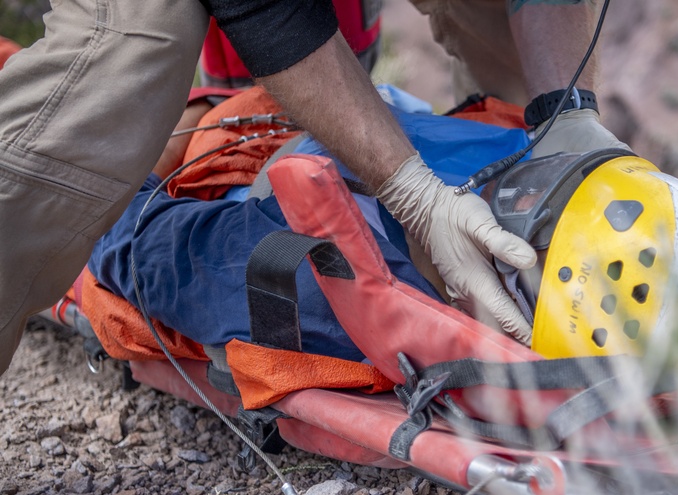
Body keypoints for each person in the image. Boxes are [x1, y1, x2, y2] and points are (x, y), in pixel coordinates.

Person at [0, 0, 626, 377]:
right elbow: (139, 242)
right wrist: (413, 193)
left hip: (268, 149)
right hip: (245, 146)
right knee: (124, 60)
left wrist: (569, 109)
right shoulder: (320, 283)